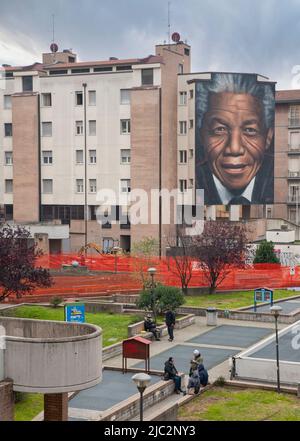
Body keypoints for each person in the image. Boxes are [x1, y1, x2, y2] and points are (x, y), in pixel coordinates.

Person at [195, 72, 275, 205]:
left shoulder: (276, 180)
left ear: (268, 137)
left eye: (250, 130)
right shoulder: (191, 183)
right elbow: (188, 223)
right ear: (202, 135)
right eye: (220, 129)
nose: (234, 148)